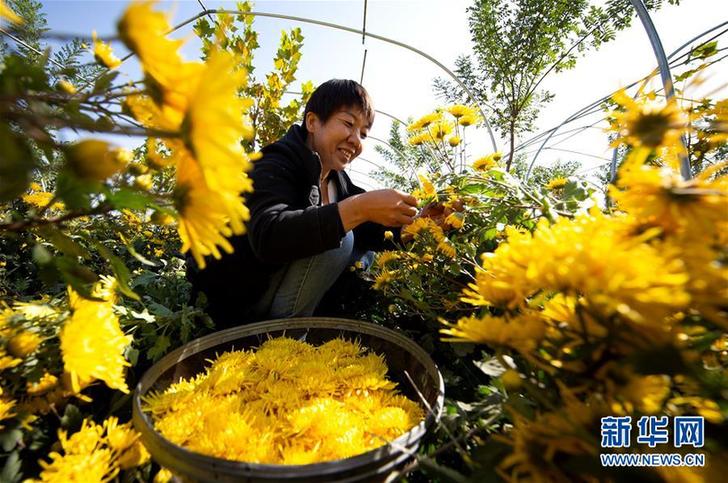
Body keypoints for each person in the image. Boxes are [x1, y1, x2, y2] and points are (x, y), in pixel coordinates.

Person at [188, 79, 418, 327]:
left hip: (280, 293)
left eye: (363, 133)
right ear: (312, 122)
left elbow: (372, 229)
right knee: (340, 240)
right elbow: (269, 235)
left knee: (363, 251)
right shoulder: (276, 162)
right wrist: (358, 208)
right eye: (348, 124)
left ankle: (321, 324)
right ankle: (282, 340)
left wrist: (417, 226)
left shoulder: (338, 182)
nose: (356, 140)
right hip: (239, 301)